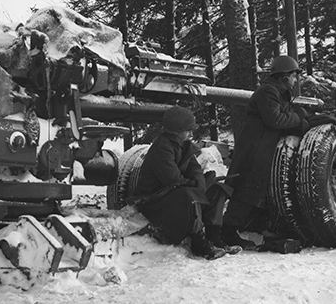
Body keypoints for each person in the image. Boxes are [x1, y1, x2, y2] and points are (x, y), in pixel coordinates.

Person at [220, 55, 310, 249]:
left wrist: (296, 116)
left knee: (258, 188)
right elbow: (275, 120)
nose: (295, 81)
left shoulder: (277, 92)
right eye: (294, 76)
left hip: (263, 146)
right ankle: (228, 229)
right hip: (256, 148)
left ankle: (251, 224)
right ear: (285, 76)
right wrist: (298, 119)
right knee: (247, 187)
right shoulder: (268, 92)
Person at [131, 105, 239, 260]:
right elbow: (172, 179)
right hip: (155, 200)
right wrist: (195, 185)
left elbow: (194, 169)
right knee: (190, 195)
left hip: (175, 193)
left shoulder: (184, 146)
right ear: (176, 130)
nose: (190, 133)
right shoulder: (162, 148)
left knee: (218, 189)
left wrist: (201, 183)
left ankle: (215, 237)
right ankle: (199, 243)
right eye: (187, 130)